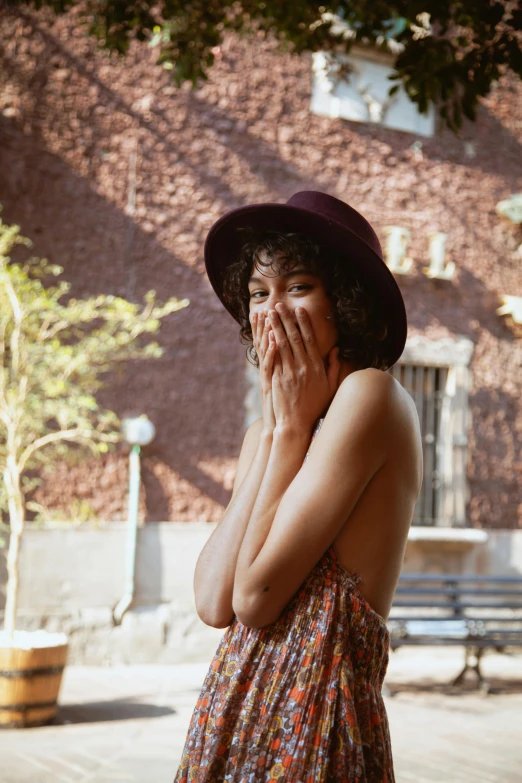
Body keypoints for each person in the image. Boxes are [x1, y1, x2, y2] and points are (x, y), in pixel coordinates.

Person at [174, 191, 423, 783]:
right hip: (235, 704)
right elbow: (214, 601)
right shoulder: (267, 428)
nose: (273, 310)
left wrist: (288, 434)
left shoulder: (371, 396)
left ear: (348, 302)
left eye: (299, 286)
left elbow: (255, 600)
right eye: (259, 294)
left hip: (314, 712)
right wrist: (278, 432)